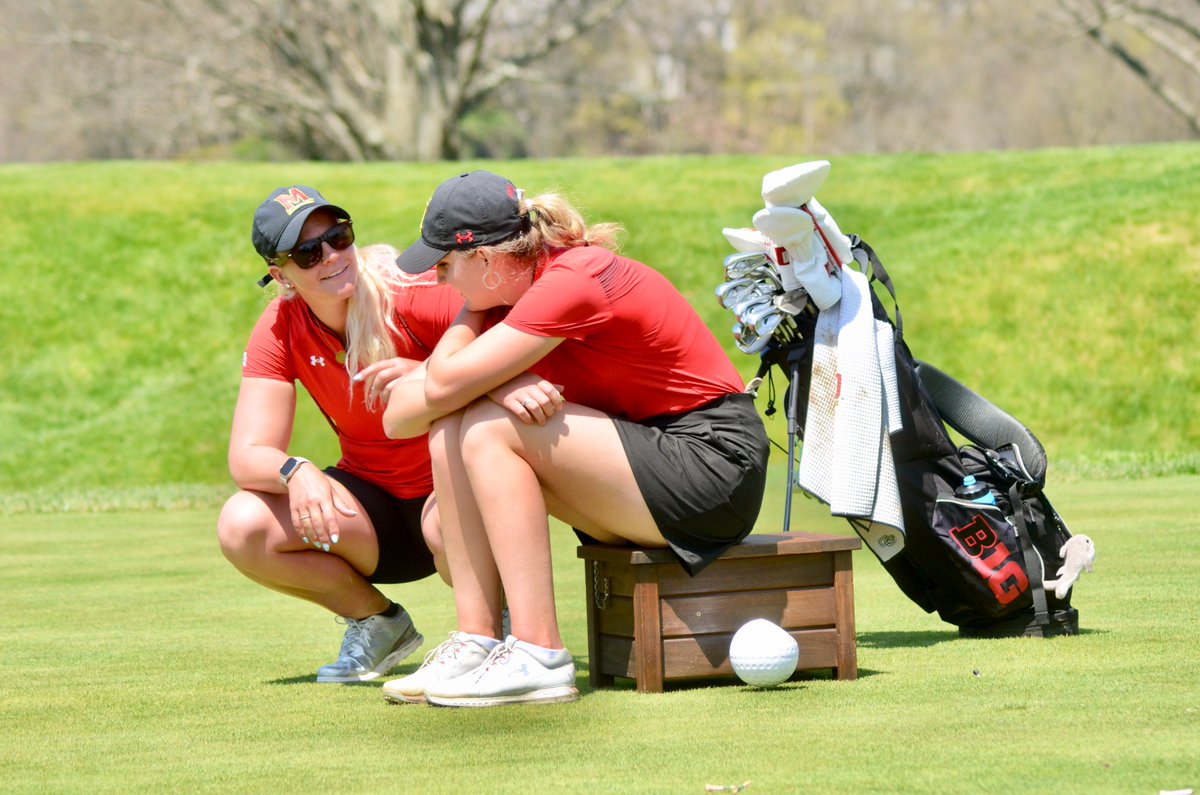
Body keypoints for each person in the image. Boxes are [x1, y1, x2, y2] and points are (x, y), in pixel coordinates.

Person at [380, 171, 769, 706]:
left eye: (445, 264)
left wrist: (482, 370)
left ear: (488, 261)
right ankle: (477, 639)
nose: (441, 280)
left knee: (489, 428)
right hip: (643, 462)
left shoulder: (573, 278)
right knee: (452, 425)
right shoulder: (510, 291)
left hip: (713, 464)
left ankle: (538, 653)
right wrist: (499, 381)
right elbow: (399, 418)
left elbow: (445, 380)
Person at [217, 185, 461, 683]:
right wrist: (295, 469)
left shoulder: (411, 291)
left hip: (454, 489)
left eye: (338, 236)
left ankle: (497, 633)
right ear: (280, 275)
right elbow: (247, 455)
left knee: (445, 521)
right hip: (373, 515)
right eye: (308, 252)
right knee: (242, 524)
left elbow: (511, 344)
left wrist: (427, 371)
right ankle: (378, 623)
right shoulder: (280, 324)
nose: (331, 256)